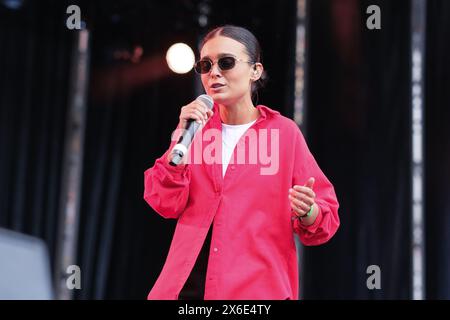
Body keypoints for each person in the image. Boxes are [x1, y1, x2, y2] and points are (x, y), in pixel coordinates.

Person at [143, 25, 340, 300]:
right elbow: (164, 203)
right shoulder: (193, 131)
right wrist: (180, 145)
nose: (214, 72)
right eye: (205, 64)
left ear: (255, 71)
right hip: (186, 290)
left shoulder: (283, 133)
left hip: (257, 291)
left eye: (226, 62)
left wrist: (308, 210)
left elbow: (324, 222)